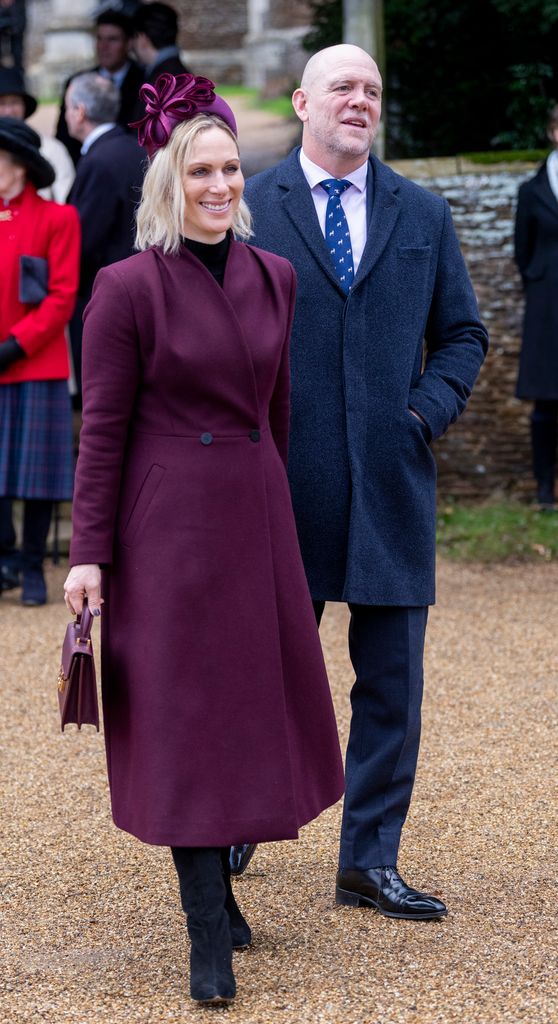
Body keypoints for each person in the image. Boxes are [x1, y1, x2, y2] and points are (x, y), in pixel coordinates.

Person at [62, 73, 344, 1005]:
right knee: (186, 721)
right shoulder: (126, 287)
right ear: (167, 186)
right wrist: (89, 555)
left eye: (230, 169)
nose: (221, 187)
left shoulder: (278, 277)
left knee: (248, 711)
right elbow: (100, 429)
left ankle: (222, 893)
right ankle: (204, 928)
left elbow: (281, 412)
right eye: (200, 173)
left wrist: (281, 520)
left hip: (255, 518)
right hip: (167, 533)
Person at [232, 44, 489, 917]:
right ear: (303, 101)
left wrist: (424, 414)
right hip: (280, 481)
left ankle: (368, 859)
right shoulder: (249, 207)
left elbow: (463, 334)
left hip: (390, 483)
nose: (360, 100)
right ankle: (246, 812)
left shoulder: (423, 213)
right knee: (266, 670)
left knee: (392, 686)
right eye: (343, 86)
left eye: (373, 89)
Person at [0, 118, 80, 605]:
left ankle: (32, 565)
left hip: (35, 363)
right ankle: (4, 557)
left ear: (16, 167)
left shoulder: (57, 219)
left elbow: (62, 295)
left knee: (37, 475)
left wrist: (16, 344)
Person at [65, 72, 145, 399]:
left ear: (80, 111)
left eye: (68, 108)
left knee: (103, 400)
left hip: (102, 298)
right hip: (141, 288)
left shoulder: (98, 160)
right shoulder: (133, 149)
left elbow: (83, 241)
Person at [514, 104, 558, 509]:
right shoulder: (532, 190)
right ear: (553, 131)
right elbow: (522, 253)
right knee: (546, 405)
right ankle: (545, 490)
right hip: (547, 310)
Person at [55, 9, 144, 166]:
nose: (103, 46)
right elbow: (63, 138)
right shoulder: (76, 82)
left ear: (129, 43)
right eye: (99, 39)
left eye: (112, 39)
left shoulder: (144, 82)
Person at [0, 67, 75, 204]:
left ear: (24, 106)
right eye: (2, 103)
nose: (8, 111)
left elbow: (65, 198)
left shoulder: (51, 148)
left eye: (14, 102)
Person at [130, 1, 188, 121]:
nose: (131, 45)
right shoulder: (182, 75)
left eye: (133, 37)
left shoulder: (158, 83)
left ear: (142, 38)